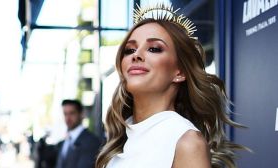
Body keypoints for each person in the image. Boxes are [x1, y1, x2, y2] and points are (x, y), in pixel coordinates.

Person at [96, 3, 246, 168]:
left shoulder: (187, 142)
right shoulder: (121, 137)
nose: (136, 55)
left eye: (154, 49)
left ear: (180, 72)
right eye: (129, 50)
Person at [55, 99, 101, 168]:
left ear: (81, 114)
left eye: (72, 113)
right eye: (65, 114)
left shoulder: (91, 141)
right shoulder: (65, 141)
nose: (68, 118)